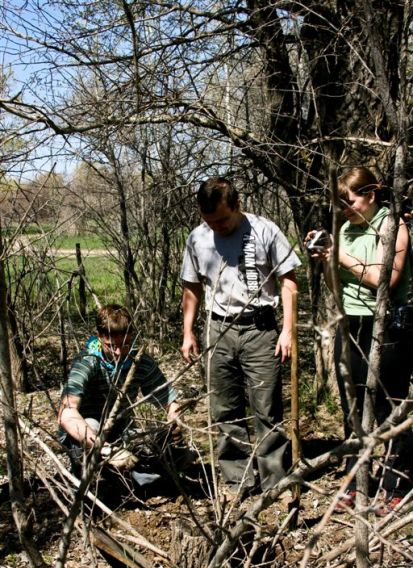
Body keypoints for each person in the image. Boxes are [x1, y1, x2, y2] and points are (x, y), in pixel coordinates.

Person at [180, 177, 301, 496]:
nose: (216, 226)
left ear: (237, 205)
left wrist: (287, 331)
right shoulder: (197, 239)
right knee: (224, 409)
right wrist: (188, 331)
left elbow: (289, 282)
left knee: (266, 409)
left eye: (222, 219)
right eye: (209, 221)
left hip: (260, 330)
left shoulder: (266, 231)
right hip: (218, 330)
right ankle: (238, 481)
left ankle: (274, 482)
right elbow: (191, 287)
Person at [307, 166, 413, 515]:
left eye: (349, 201)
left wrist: (338, 254)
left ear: (371, 194)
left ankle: (398, 482)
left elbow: (385, 279)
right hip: (350, 323)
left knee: (391, 407)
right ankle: (357, 480)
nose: (344, 208)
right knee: (353, 407)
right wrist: (324, 258)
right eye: (339, 204)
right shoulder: (344, 230)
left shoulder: (392, 226)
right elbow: (335, 284)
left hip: (389, 325)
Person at [58, 304, 181, 484]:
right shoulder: (87, 362)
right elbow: (66, 414)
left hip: (121, 427)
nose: (118, 352)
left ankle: (136, 480)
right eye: (111, 346)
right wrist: (104, 448)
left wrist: (175, 420)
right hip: (84, 433)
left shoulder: (140, 361)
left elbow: (169, 399)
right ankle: (92, 485)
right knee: (92, 424)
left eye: (124, 345)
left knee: (162, 444)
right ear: (99, 337)